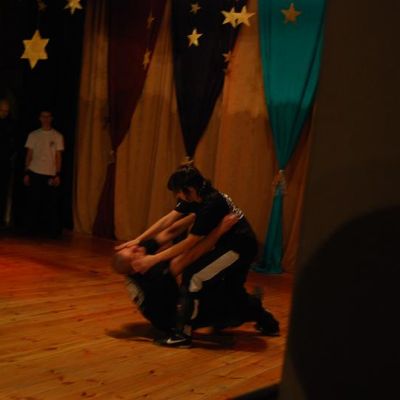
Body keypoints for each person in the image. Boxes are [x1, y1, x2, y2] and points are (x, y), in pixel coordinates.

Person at [118, 164, 279, 347]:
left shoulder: (210, 204)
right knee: (231, 291)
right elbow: (171, 222)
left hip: (239, 247)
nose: (177, 198)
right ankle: (265, 321)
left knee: (194, 276)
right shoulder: (197, 196)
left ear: (190, 189)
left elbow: (191, 247)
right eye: (133, 252)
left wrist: (152, 257)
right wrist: (138, 240)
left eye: (178, 192)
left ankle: (182, 335)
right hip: (229, 245)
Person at [113, 214, 279, 343]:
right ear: (135, 267)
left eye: (129, 247)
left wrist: (198, 214)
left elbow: (169, 232)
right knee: (234, 304)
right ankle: (264, 319)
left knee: (216, 290)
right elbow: (191, 255)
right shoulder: (152, 275)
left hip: (169, 306)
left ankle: (233, 311)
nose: (135, 246)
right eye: (133, 251)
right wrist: (219, 230)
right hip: (175, 319)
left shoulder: (138, 261)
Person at [23, 110, 64, 237]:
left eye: (48, 117)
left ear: (51, 118)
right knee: (33, 202)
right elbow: (29, 154)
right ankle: (31, 230)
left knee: (50, 204)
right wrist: (26, 172)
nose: (46, 119)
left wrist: (57, 174)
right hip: (35, 171)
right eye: (43, 117)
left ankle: (49, 231)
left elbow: (58, 156)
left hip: (49, 173)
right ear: (39, 118)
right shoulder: (33, 135)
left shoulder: (57, 136)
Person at [0, 99, 16, 228]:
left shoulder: (11, 124)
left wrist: (10, 155)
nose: (4, 113)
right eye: (2, 110)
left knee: (2, 191)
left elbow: (13, 144)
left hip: (4, 162)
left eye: (6, 111)